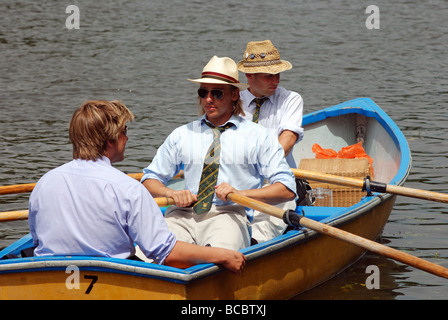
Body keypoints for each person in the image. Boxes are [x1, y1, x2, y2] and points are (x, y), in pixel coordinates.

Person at [28, 100, 245, 273]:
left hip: (50, 276)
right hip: (110, 278)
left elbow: (37, 241)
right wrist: (221, 255)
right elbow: (165, 252)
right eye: (124, 131)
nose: (127, 137)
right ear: (110, 140)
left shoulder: (44, 183)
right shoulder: (128, 189)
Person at [141, 56, 296, 251]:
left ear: (234, 95)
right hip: (182, 214)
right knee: (149, 251)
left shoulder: (259, 136)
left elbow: (287, 189)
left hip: (230, 213)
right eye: (203, 92)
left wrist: (239, 194)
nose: (208, 99)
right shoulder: (181, 134)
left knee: (218, 255)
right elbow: (149, 179)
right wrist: (170, 192)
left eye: (217, 93)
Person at [237, 40, 305, 243]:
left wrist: (258, 167)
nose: (275, 80)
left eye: (278, 74)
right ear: (249, 76)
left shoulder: (291, 99)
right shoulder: (232, 102)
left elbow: (287, 140)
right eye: (269, 76)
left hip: (277, 182)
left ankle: (255, 244)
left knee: (263, 226)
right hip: (237, 181)